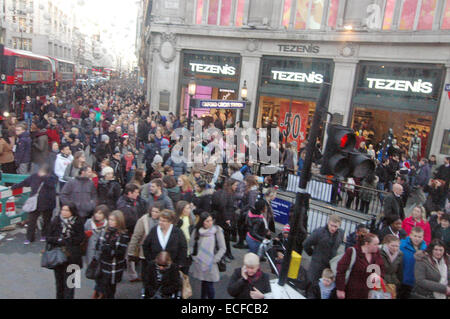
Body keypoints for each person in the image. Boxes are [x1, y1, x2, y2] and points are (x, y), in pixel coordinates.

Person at [12, 165, 57, 244]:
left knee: (47, 220)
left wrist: (44, 177)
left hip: (48, 203)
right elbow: (24, 183)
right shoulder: (34, 176)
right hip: (35, 203)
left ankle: (45, 235)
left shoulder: (52, 177)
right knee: (32, 221)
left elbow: (51, 185)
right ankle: (30, 238)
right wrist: (13, 187)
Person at [46, 204, 84, 299]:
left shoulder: (78, 222)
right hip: (58, 257)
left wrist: (66, 241)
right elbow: (48, 237)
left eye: (67, 210)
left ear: (72, 212)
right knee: (59, 284)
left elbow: (80, 239)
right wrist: (59, 240)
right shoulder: (56, 221)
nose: (64, 212)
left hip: (73, 258)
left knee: (70, 284)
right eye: (63, 210)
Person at [189, 212, 227, 299]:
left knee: (209, 284)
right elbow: (191, 245)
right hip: (199, 262)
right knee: (204, 282)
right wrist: (194, 257)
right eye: (207, 221)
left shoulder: (217, 231)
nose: (210, 223)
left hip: (211, 263)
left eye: (211, 221)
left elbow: (222, 248)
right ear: (202, 222)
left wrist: (215, 259)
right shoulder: (196, 231)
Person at [336, 233, 385, 299]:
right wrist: (340, 289)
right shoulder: (352, 251)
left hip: (368, 292)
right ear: (367, 244)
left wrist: (377, 277)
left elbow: (381, 269)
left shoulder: (377, 254)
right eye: (375, 244)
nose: (378, 246)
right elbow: (341, 271)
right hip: (351, 291)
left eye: (378, 244)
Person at [97, 210, 130, 299]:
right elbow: (98, 245)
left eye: (113, 220)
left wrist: (110, 251)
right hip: (103, 264)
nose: (110, 222)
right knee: (103, 288)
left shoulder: (123, 235)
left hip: (114, 266)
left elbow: (121, 252)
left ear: (119, 221)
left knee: (111, 290)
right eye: (110, 219)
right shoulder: (104, 231)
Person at [142, 210, 188, 274]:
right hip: (155, 265)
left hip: (172, 266)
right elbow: (146, 245)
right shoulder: (154, 230)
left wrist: (179, 263)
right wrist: (150, 260)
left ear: (170, 222)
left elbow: (183, 248)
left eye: (164, 221)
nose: (161, 222)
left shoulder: (178, 232)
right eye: (160, 220)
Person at [304, 215, 345, 285]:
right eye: (331, 225)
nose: (333, 228)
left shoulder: (340, 233)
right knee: (312, 285)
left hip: (329, 266)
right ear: (328, 223)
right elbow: (306, 244)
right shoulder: (319, 232)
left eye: (336, 226)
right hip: (317, 266)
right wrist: (313, 254)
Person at [84, 205, 109, 299]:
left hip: (102, 253)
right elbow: (82, 236)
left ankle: (99, 291)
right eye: (96, 213)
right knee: (94, 272)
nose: (97, 215)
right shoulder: (88, 223)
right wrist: (86, 235)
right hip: (91, 252)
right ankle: (98, 290)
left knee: (102, 273)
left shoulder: (107, 225)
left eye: (100, 213)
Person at [212, 179, 237, 261]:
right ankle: (226, 253)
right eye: (235, 185)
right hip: (225, 219)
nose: (236, 187)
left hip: (228, 217)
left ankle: (227, 253)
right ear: (231, 185)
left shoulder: (229, 193)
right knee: (225, 237)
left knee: (226, 236)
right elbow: (223, 207)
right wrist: (227, 219)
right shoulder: (226, 194)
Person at [399, 226, 427, 299]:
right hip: (402, 280)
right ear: (410, 235)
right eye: (415, 236)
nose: (417, 239)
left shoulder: (425, 249)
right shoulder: (402, 245)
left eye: (419, 237)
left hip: (416, 282)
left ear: (423, 237)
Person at [380, 235, 404, 299]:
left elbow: (400, 271)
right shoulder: (380, 252)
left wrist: (398, 282)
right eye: (392, 246)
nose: (395, 248)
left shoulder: (400, 255)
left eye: (397, 246)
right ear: (387, 244)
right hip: (381, 282)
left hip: (393, 283)